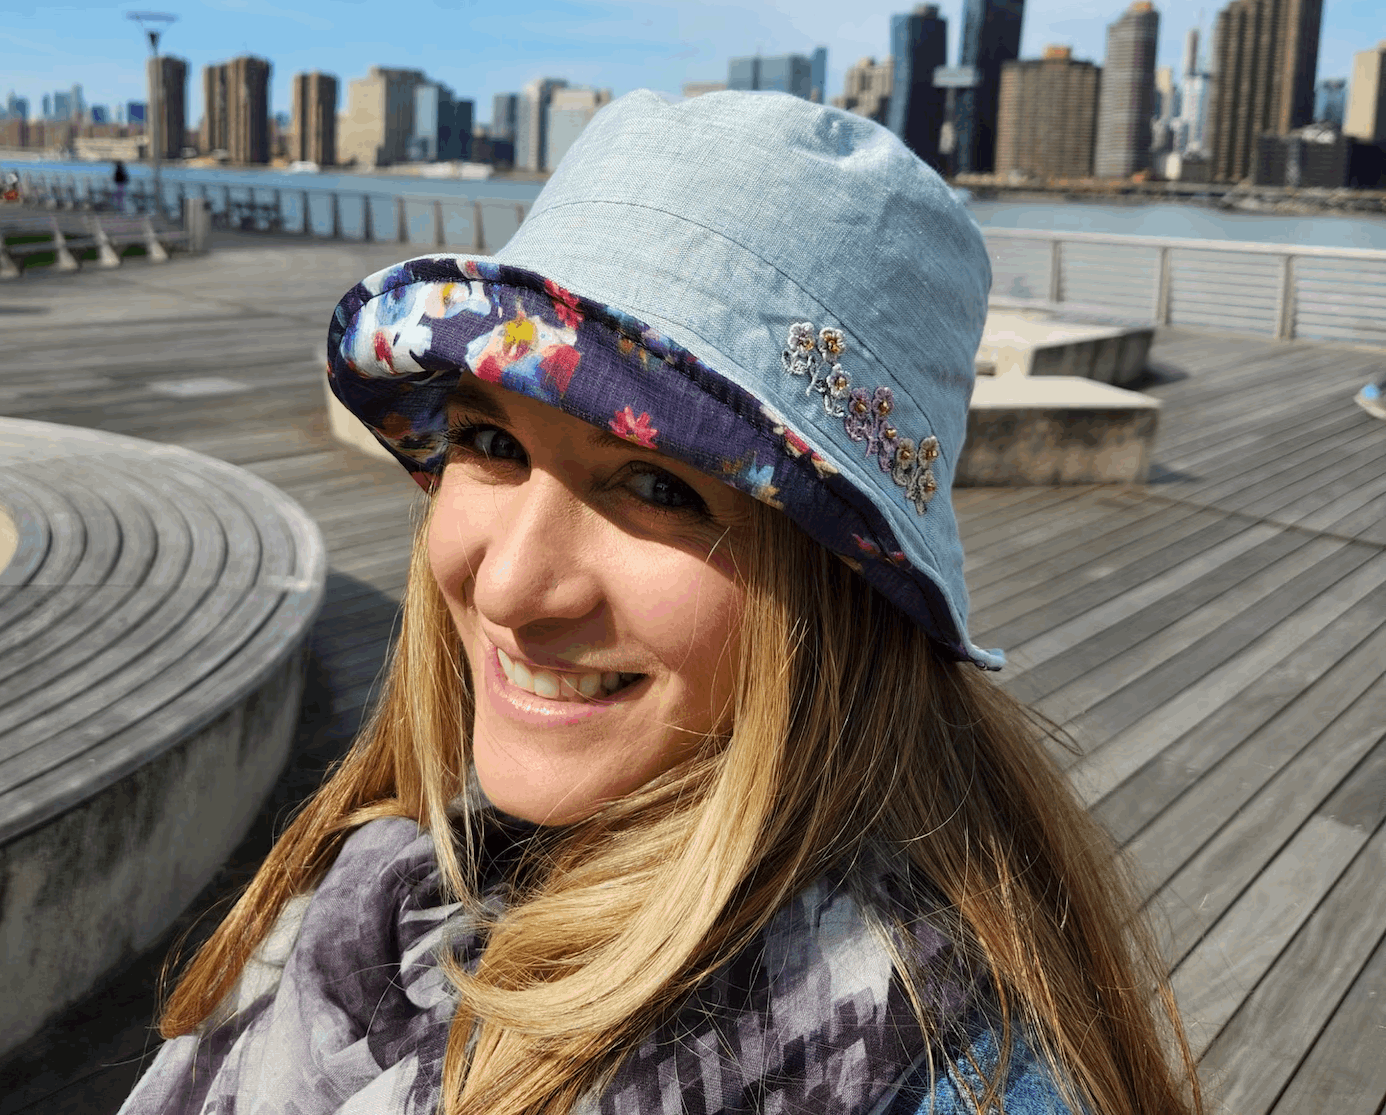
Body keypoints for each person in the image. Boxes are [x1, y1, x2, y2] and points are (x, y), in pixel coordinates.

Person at [122, 91, 1203, 1115]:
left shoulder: (932, 1077)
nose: (507, 585)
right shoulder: (388, 882)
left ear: (841, 587)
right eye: (490, 441)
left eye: (657, 484)